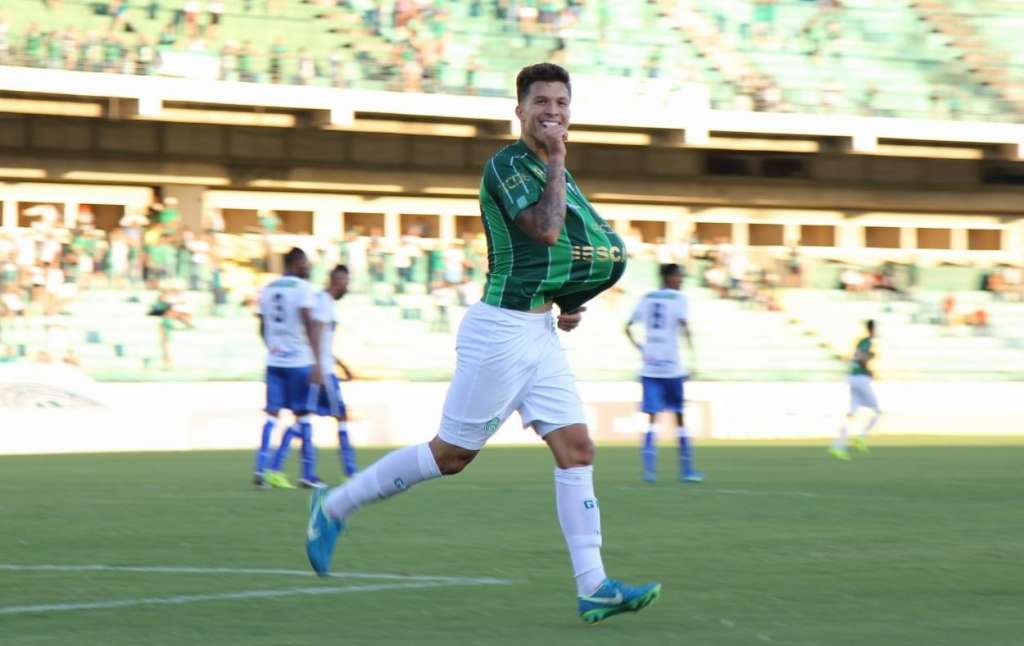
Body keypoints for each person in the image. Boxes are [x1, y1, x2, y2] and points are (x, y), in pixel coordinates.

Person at [304, 63, 660, 624]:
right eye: (541, 101)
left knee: (577, 450)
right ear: (519, 110)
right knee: (450, 456)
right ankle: (335, 504)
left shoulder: (554, 170)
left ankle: (593, 585)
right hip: (501, 329)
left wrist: (568, 301)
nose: (553, 111)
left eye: (562, 102)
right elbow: (544, 230)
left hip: (537, 331)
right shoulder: (509, 165)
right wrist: (560, 159)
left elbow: (569, 247)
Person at [266, 265, 357, 487]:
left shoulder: (322, 301)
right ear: (337, 280)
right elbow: (315, 333)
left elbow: (320, 340)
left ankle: (277, 468)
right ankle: (344, 472)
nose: (347, 285)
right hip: (321, 371)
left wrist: (341, 364)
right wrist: (318, 366)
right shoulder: (324, 302)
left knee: (307, 416)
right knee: (320, 416)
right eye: (345, 281)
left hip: (321, 366)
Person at [624, 263, 702, 484]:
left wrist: (641, 349)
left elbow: (627, 326)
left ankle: (649, 471)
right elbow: (685, 327)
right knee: (679, 417)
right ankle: (687, 470)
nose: (681, 280)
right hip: (672, 366)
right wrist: (693, 357)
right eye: (679, 276)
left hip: (650, 367)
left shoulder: (646, 297)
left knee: (651, 419)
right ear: (668, 277)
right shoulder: (679, 299)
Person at [253, 247, 323, 488]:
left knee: (271, 415)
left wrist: (272, 346)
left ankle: (261, 470)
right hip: (299, 362)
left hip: (274, 361)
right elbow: (309, 322)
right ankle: (308, 473)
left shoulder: (267, 289)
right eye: (305, 263)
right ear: (295, 264)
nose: (308, 267)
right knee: (303, 416)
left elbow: (261, 325)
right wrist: (318, 361)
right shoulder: (304, 289)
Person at [831, 319, 881, 460]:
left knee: (852, 413)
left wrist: (868, 360)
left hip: (852, 377)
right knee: (877, 412)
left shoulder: (860, 341)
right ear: (873, 329)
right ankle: (861, 437)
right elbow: (861, 358)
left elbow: (856, 356)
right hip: (860, 379)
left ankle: (838, 447)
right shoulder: (868, 341)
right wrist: (869, 369)